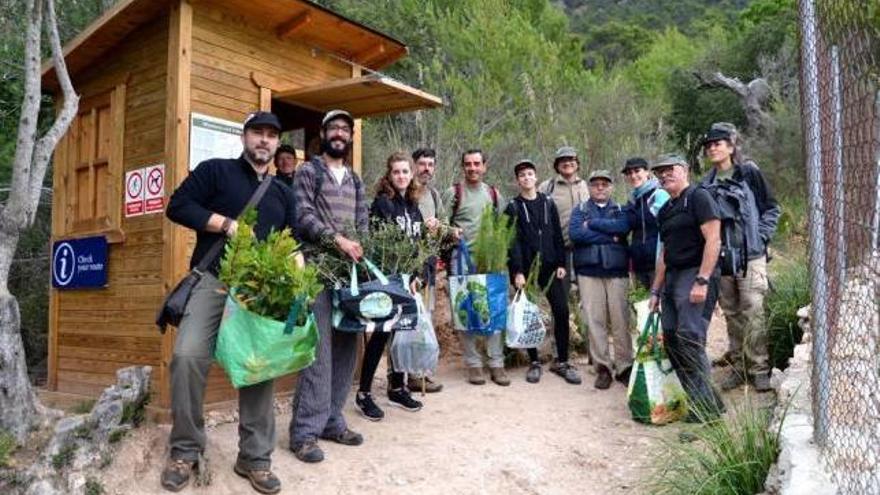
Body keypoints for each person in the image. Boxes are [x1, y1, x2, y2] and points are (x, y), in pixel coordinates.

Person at [161, 111, 293, 494]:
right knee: (186, 357)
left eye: (271, 135)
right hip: (213, 281)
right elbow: (178, 206)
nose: (264, 140)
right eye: (257, 133)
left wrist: (296, 277)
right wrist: (225, 224)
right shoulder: (215, 171)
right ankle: (185, 450)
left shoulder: (283, 191)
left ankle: (254, 459)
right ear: (244, 137)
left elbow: (296, 237)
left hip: (258, 290)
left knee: (258, 370)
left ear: (276, 143)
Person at [289, 109, 368, 463]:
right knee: (318, 353)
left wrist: (364, 250)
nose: (339, 134)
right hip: (317, 271)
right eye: (333, 128)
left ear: (350, 137)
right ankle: (305, 432)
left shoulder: (355, 179)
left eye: (345, 129)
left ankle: (333, 421)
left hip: (348, 276)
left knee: (347, 349)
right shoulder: (309, 171)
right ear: (323, 134)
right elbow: (302, 216)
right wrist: (336, 240)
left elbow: (364, 223)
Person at [355, 152, 438, 421]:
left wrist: (419, 274)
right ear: (388, 175)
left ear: (411, 174)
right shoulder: (383, 204)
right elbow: (383, 244)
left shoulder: (413, 205)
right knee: (380, 335)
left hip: (408, 280)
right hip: (387, 279)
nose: (401, 176)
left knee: (402, 332)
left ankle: (397, 387)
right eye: (396, 172)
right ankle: (364, 393)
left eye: (405, 171)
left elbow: (417, 245)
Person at [699, 126, 781, 392]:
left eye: (718, 143)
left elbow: (771, 208)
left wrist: (761, 237)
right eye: (709, 144)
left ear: (731, 146)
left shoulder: (749, 173)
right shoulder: (706, 183)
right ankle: (738, 368)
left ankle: (759, 369)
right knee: (732, 315)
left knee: (753, 311)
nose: (713, 148)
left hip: (751, 256)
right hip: (721, 259)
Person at [648, 154, 725, 423]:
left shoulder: (699, 197)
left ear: (685, 170)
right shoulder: (666, 209)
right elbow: (664, 253)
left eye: (670, 170)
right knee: (672, 340)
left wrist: (703, 280)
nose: (664, 175)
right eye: (660, 172)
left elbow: (714, 240)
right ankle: (708, 401)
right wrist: (655, 291)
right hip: (673, 277)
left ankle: (705, 413)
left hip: (696, 274)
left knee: (690, 339)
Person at [504, 159, 581, 385]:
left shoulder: (548, 202)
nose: (526, 178)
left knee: (561, 310)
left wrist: (560, 264)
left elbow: (557, 234)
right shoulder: (513, 206)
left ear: (536, 177)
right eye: (522, 175)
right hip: (527, 269)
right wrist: (517, 271)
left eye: (530, 174)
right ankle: (535, 361)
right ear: (517, 181)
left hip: (550, 266)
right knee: (529, 314)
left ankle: (563, 361)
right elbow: (512, 242)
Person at [441, 149, 509, 386]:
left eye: (477, 164)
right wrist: (452, 233)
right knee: (464, 312)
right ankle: (473, 364)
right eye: (468, 164)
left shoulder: (493, 193)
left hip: (490, 261)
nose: (473, 168)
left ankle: (497, 363)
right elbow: (441, 225)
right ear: (463, 167)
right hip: (461, 260)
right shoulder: (453, 193)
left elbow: (502, 225)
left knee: (494, 310)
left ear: (484, 166)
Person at [570, 170, 633, 390]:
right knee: (594, 321)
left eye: (604, 184)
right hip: (588, 273)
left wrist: (593, 225)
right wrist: (610, 236)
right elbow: (576, 234)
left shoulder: (620, 209)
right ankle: (603, 368)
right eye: (595, 184)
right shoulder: (580, 210)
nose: (600, 188)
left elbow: (623, 229)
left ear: (611, 187)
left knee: (620, 321)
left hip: (617, 272)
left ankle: (625, 366)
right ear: (589, 187)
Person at [408, 147, 445, 393]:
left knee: (425, 321)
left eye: (430, 164)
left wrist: (439, 228)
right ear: (414, 165)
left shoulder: (433, 195)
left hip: (428, 267)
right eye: (422, 164)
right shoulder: (404, 192)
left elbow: (444, 226)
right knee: (409, 321)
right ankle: (407, 376)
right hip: (408, 267)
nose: (426, 169)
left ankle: (421, 374)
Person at [621, 157, 669, 289]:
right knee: (643, 306)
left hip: (659, 262)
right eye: (629, 173)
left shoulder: (659, 194)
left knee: (662, 304)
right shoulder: (633, 200)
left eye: (637, 171)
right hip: (639, 265)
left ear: (647, 172)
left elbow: (669, 228)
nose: (633, 176)